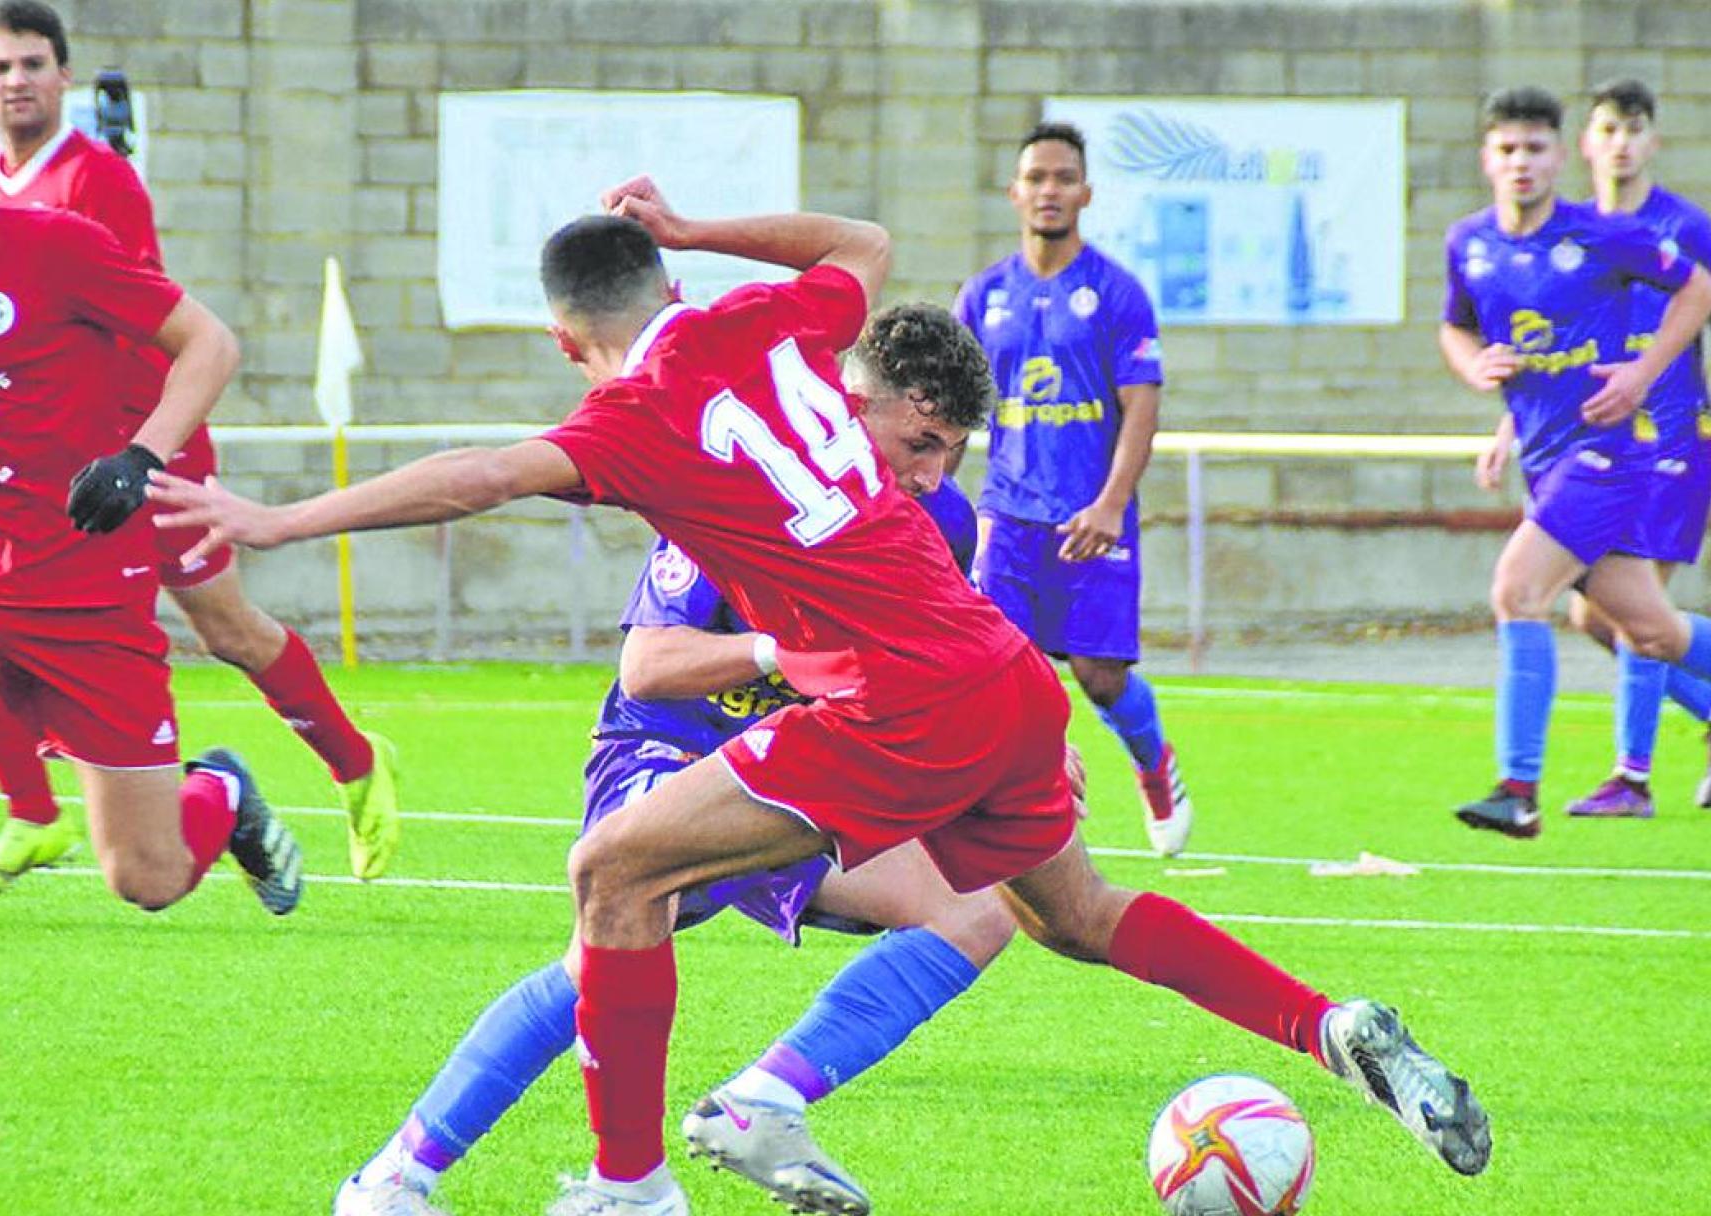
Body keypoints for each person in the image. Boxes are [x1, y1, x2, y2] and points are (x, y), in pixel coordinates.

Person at [155, 178, 1492, 1215]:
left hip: (889, 705)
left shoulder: (624, 422)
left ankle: (628, 1190)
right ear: (674, 277)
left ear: (569, 343)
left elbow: (479, 475)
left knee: (612, 876)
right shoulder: (768, 317)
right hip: (999, 677)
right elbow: (858, 240)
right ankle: (1332, 1026)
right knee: (1071, 914)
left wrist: (270, 519)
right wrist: (700, 223)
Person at [334, 302, 1013, 1216]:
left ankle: (759, 1103)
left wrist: (1006, 754)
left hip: (791, 766)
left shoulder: (944, 522)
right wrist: (779, 652)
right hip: (664, 752)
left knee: (976, 910)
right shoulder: (755, 486)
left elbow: (924, 669)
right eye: (921, 444)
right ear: (854, 409)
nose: (933, 478)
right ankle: (404, 1180)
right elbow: (649, 668)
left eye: (954, 454)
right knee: (602, 955)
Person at [0, 0, 403, 895]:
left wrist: (140, 457)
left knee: (206, 685)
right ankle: (30, 812)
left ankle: (287, 773)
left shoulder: (84, 201)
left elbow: (177, 336)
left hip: (115, 495)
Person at [1441, 86, 1711, 839]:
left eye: (1534, 149)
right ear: (1486, 158)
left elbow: (1696, 287)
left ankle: (1517, 789)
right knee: (1652, 631)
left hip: (1608, 455)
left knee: (1516, 591)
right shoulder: (1470, 242)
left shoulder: (1602, 234)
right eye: (1507, 149)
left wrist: (1641, 373)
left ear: (1561, 157)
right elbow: (1455, 327)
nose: (1520, 162)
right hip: (1545, 458)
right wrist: (1477, 370)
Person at [954, 122, 1192, 857]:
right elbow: (953, 405)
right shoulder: (984, 295)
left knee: (1100, 676)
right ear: (1015, 191)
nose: (1049, 190)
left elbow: (1142, 405)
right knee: (1002, 676)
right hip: (1010, 519)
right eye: (1037, 177)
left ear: (1085, 193)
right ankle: (1030, 809)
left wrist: (1113, 504)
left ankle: (1154, 763)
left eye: (1064, 178)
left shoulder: (1115, 292)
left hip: (1093, 518)